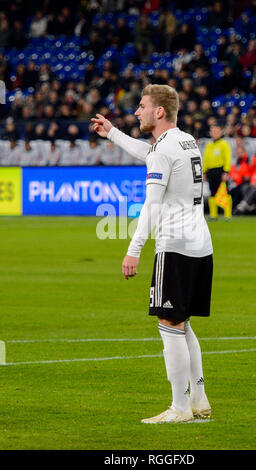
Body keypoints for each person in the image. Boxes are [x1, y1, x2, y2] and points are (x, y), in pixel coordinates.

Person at [91, 84, 213, 424]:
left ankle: (179, 408)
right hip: (201, 244)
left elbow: (151, 204)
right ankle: (199, 400)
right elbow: (151, 154)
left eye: (142, 106)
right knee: (182, 324)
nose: (137, 112)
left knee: (168, 324)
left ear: (159, 111)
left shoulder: (163, 149)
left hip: (174, 247)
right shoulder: (186, 140)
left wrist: (133, 250)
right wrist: (112, 133)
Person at [202, 125, 232, 220]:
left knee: (224, 192)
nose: (214, 133)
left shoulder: (224, 144)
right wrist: (204, 171)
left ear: (220, 132)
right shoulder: (209, 145)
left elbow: (228, 158)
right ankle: (213, 215)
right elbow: (205, 158)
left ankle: (227, 214)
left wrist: (226, 172)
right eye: (212, 131)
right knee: (212, 193)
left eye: (216, 131)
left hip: (220, 170)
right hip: (211, 171)